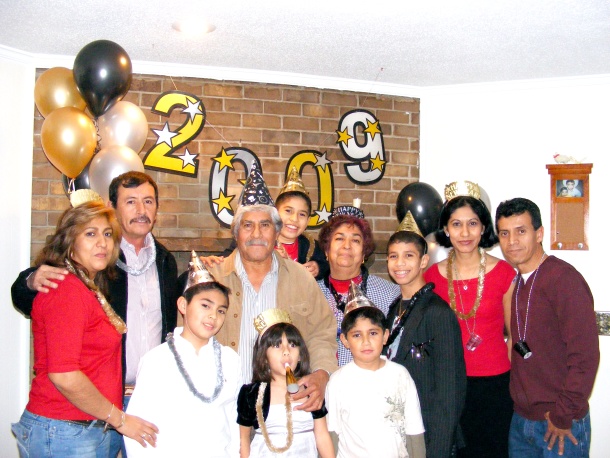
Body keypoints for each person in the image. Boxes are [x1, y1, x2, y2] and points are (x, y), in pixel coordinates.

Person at [11, 171, 180, 456]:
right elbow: (64, 372)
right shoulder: (67, 283)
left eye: (148, 201)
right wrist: (30, 280)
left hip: (122, 407)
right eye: (131, 202)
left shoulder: (161, 262)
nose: (101, 243)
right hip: (74, 422)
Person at [203, 162, 337, 412]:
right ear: (236, 233)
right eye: (247, 225)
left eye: (265, 225)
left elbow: (322, 332)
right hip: (221, 410)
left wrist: (322, 373)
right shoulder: (211, 280)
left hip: (283, 411)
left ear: (276, 232)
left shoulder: (301, 279)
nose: (257, 233)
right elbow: (187, 343)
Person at [495, 197, 599, 458]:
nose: (512, 241)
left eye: (521, 231)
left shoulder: (564, 279)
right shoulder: (517, 282)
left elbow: (585, 357)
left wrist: (563, 415)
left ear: (539, 234)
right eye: (504, 233)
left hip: (560, 423)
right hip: (521, 421)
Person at [424, 181, 516, 458]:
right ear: (445, 229)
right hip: (448, 385)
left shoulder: (504, 273)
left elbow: (513, 335)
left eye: (472, 223)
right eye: (456, 224)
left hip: (494, 385)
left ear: (484, 228)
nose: (464, 233)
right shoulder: (431, 277)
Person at [124, 252, 241, 457]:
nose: (213, 316)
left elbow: (233, 419)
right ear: (183, 305)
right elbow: (139, 428)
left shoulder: (230, 360)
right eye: (205, 305)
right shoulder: (156, 361)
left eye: (221, 310)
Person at [384, 213, 467, 458]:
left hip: (428, 434)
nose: (400, 263)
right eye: (393, 256)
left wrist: (439, 449)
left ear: (423, 261)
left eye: (408, 256)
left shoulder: (437, 312)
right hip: (397, 433)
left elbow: (450, 392)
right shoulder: (394, 308)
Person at [326, 305, 426, 458]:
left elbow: (414, 429)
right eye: (357, 335)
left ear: (385, 336)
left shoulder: (400, 375)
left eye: (373, 333)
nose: (366, 342)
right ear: (345, 340)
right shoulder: (338, 381)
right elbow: (332, 433)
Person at [237, 309, 334, 458]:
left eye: (293, 345)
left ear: (301, 355)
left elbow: (321, 435)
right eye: (277, 346)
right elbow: (243, 439)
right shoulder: (251, 393)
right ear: (263, 357)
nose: (286, 351)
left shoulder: (311, 390)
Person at [204, 166, 329, 280]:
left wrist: (318, 268)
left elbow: (327, 266)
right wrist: (213, 261)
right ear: (274, 213)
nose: (294, 219)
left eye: (302, 214)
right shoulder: (257, 237)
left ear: (308, 221)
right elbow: (229, 256)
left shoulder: (310, 246)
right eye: (288, 211)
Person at [317, 201, 400, 366]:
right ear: (326, 250)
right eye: (339, 238)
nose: (347, 246)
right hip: (323, 385)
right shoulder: (311, 292)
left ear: (364, 253)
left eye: (355, 240)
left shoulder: (390, 294)